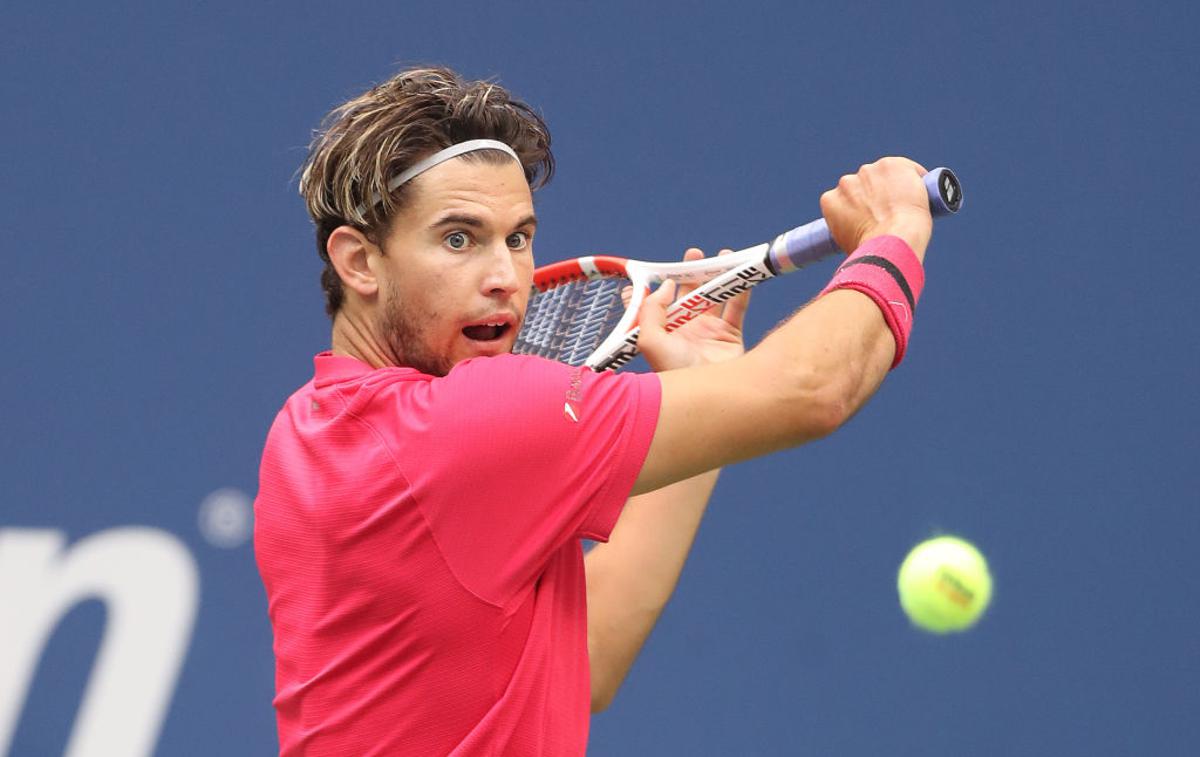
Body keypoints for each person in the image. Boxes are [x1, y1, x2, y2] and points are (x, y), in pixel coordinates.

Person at [255, 66, 937, 756]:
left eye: (518, 237)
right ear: (359, 262)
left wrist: (701, 384)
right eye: (459, 239)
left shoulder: (304, 429)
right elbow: (814, 389)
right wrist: (895, 233)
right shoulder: (467, 423)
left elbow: (588, 656)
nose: (504, 278)